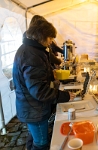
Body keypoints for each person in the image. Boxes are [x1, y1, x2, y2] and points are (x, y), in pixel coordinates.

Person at [13, 20, 75, 150]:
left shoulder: (31, 49)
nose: (51, 41)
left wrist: (49, 74)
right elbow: (39, 91)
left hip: (29, 106)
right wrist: (64, 96)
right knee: (41, 142)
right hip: (34, 108)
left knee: (33, 137)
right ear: (42, 36)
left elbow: (34, 79)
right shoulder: (32, 55)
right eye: (50, 38)